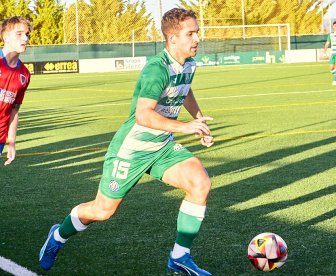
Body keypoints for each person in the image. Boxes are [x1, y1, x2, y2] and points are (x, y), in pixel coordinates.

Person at [39, 8, 214, 276]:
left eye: (196, 32)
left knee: (200, 182)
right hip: (132, 149)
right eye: (190, 33)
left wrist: (199, 120)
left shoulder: (188, 63)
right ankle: (58, 236)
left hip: (162, 146)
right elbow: (143, 116)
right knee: (102, 210)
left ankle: (179, 257)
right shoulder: (157, 69)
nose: (196, 38)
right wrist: (185, 127)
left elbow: (185, 89)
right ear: (172, 39)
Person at [0, 16, 32, 165]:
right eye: (19, 34)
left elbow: (14, 109)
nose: (25, 38)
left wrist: (11, 141)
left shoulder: (24, 75)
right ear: (6, 36)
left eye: (26, 34)